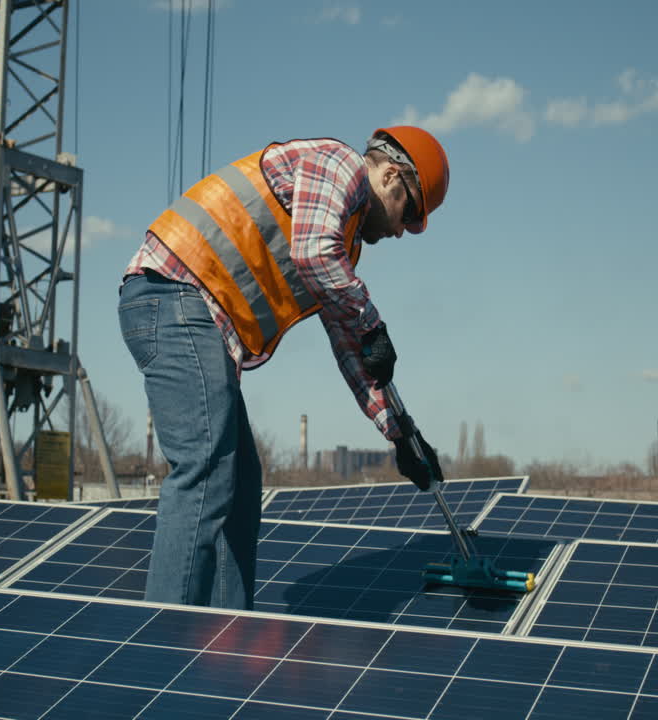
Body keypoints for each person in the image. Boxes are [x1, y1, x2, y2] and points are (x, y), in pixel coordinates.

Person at [118, 127, 449, 609]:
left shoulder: (343, 246)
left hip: (197, 317)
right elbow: (314, 255)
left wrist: (400, 433)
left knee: (240, 482)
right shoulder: (339, 167)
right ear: (391, 175)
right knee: (206, 467)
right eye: (408, 213)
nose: (401, 230)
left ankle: (226, 630)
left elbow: (350, 344)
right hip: (173, 294)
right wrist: (372, 321)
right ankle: (161, 634)